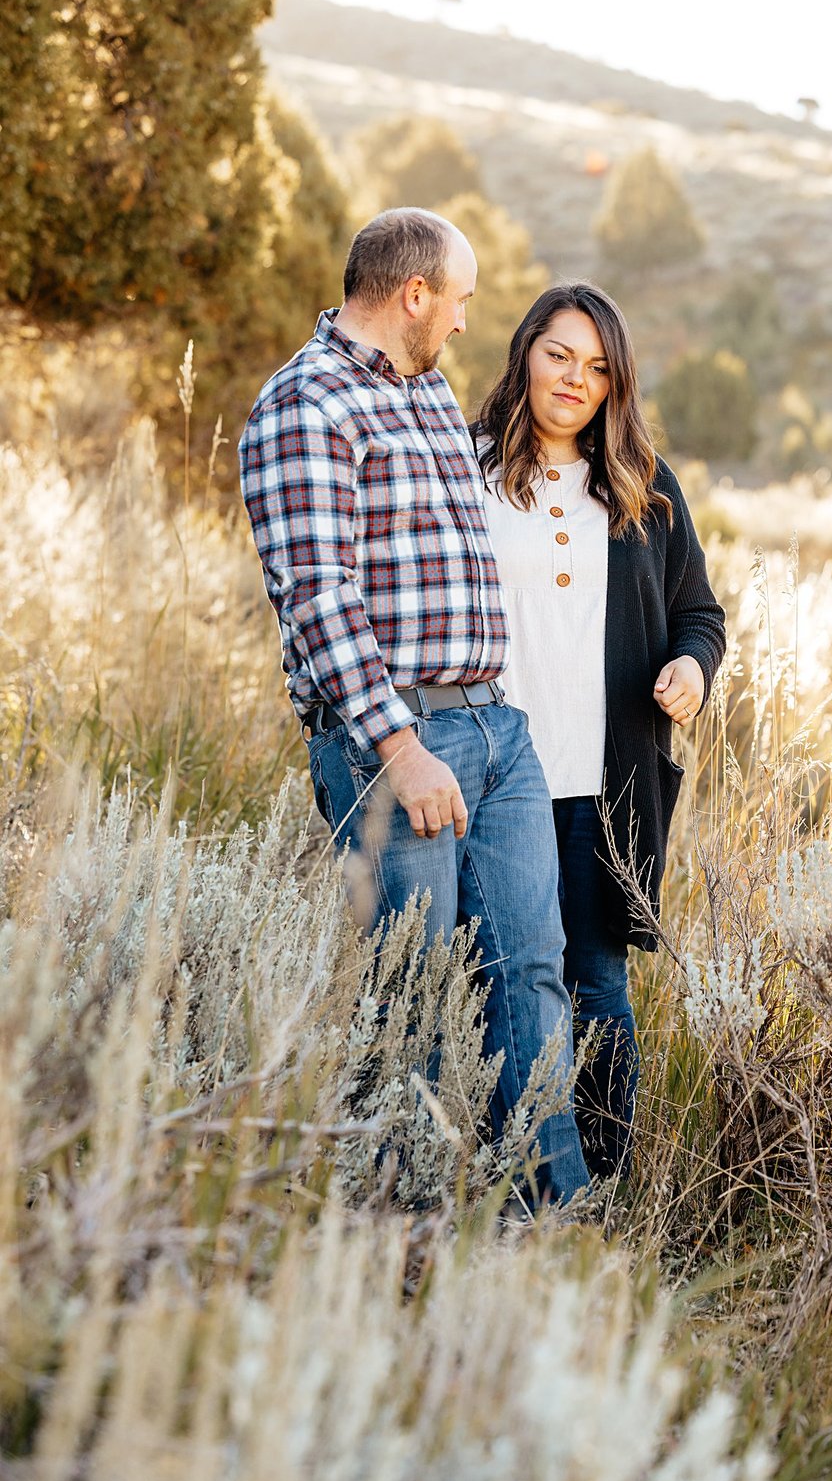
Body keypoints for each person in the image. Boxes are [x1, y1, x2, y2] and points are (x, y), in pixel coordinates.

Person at [238, 209, 589, 1205]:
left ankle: (548, 1215)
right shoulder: (303, 407)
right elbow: (317, 597)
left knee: (531, 972)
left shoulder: (426, 389)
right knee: (416, 993)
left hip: (494, 728)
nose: (470, 324)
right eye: (464, 300)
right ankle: (410, 1232)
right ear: (416, 294)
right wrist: (399, 747)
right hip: (400, 741)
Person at [475, 282, 726, 1179]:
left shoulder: (643, 487)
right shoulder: (466, 473)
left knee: (597, 983)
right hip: (495, 775)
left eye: (597, 366)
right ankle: (504, 1173)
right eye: (559, 355)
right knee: (498, 980)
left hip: (607, 779)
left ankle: (605, 1183)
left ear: (616, 381)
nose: (575, 379)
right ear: (525, 353)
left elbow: (700, 612)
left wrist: (691, 667)